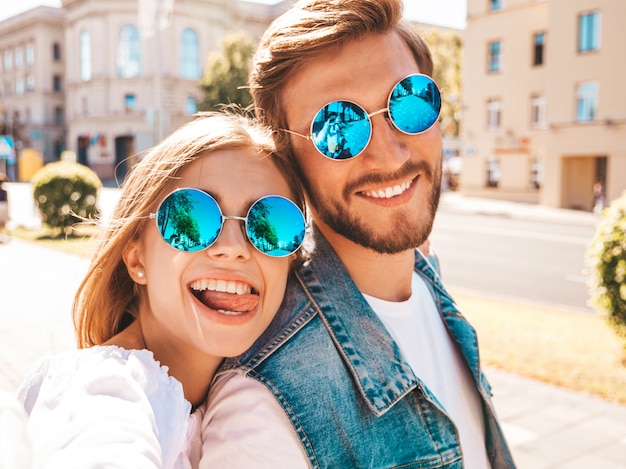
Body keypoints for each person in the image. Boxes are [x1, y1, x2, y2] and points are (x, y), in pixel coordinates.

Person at [200, 1, 516, 468]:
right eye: (337, 128)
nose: (390, 154)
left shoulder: (427, 282)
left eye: (409, 101)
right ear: (287, 159)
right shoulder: (262, 411)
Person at [12, 111, 307, 468]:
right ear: (137, 259)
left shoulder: (249, 400)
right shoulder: (104, 389)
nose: (234, 247)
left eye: (272, 223)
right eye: (191, 217)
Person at [0, 172, 8, 242]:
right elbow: (7, 201)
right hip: (3, 206)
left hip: (2, 206)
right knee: (3, 223)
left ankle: (2, 236)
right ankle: (2, 235)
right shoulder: (4, 191)